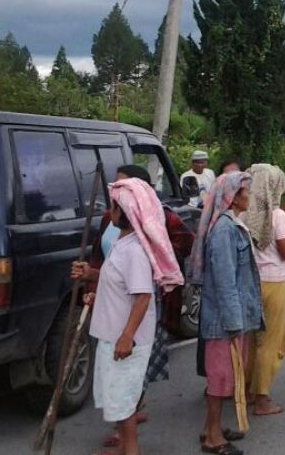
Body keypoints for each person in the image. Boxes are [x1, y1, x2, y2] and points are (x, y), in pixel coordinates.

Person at [71, 165, 195, 449]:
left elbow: (143, 297)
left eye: (114, 206)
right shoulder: (122, 243)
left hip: (125, 339)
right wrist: (90, 275)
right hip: (112, 334)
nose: (109, 211)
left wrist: (127, 336)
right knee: (119, 402)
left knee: (125, 405)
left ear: (124, 213)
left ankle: (131, 450)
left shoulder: (136, 251)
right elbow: (117, 282)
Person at [190, 172, 263, 455]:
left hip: (230, 319)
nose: (249, 196)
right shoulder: (224, 230)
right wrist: (234, 323)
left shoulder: (231, 225)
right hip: (224, 322)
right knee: (220, 379)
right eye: (246, 191)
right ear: (233, 196)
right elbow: (224, 281)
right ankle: (213, 439)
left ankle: (213, 428)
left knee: (225, 379)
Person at [243, 164, 285, 416]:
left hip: (250, 282)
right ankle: (262, 398)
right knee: (270, 342)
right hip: (272, 282)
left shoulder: (243, 212)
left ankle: (247, 390)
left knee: (251, 340)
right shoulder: (276, 216)